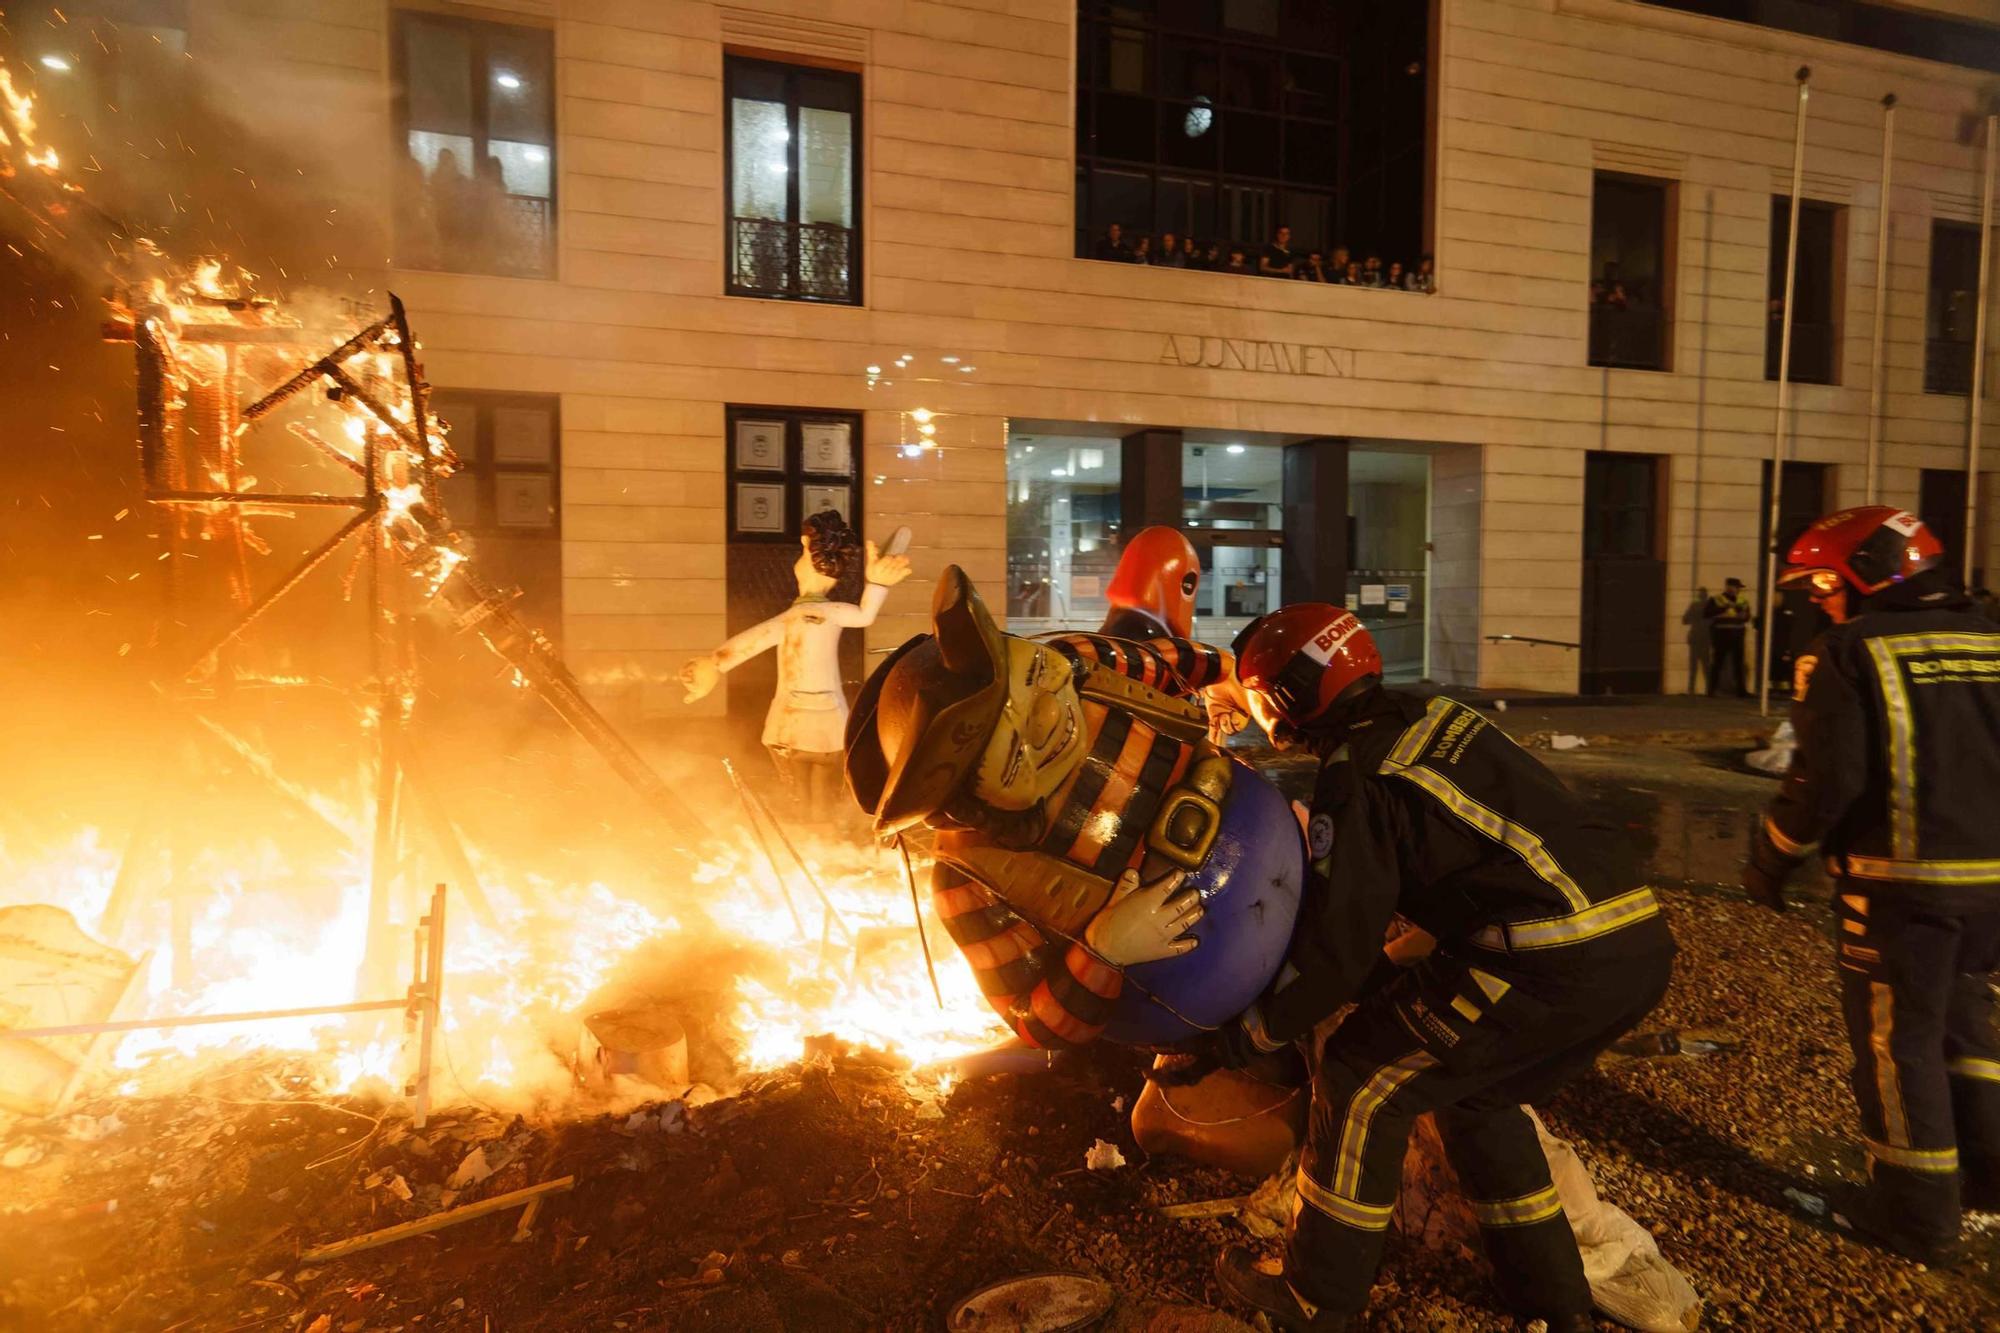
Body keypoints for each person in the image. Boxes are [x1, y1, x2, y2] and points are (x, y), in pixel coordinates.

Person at [1204, 605, 1675, 1333]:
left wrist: (1248, 1034)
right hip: (1632, 937)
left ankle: (1314, 1298)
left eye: (1257, 692)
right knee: (1473, 1095)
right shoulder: (1434, 714)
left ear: (1286, 697)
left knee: (1361, 1078)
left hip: (1546, 957)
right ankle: (1552, 1299)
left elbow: (1337, 950)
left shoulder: (1357, 774)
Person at [843, 568, 1299, 1049]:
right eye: (1016, 748)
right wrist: (1104, 950)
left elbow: (1171, 661)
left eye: (1037, 676)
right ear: (968, 805)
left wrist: (1230, 678)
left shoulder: (1082, 663)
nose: (1048, 712)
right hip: (1213, 1019)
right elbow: (1032, 1022)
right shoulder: (966, 879)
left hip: (1298, 859)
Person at [1742, 506, 2000, 1266]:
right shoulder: (1991, 640)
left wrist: (1772, 858)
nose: (1821, 601)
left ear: (1869, 574)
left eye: (1824, 584)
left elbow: (1827, 782)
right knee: (1967, 1026)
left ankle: (1916, 1215)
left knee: (1899, 1045)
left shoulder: (1848, 652)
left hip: (1900, 888)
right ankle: (1988, 1180)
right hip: (1992, 889)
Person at [680, 512, 912, 820]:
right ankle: (822, 836)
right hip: (822, 724)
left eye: (802, 552)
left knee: (800, 799)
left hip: (790, 726)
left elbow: (752, 641)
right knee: (821, 800)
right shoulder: (828, 613)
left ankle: (812, 836)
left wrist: (714, 664)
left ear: (806, 549)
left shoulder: (797, 618)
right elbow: (864, 615)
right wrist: (877, 584)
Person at [1703, 577, 1754, 697]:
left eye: (1739, 588)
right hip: (1721, 635)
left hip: (1738, 635)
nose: (1738, 590)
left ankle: (1741, 691)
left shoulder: (1742, 600)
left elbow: (1747, 617)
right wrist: (1725, 607)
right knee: (1718, 663)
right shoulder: (1716, 599)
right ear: (1729, 587)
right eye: (1737, 587)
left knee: (1738, 664)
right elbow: (1706, 614)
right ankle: (1711, 691)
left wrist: (1739, 611)